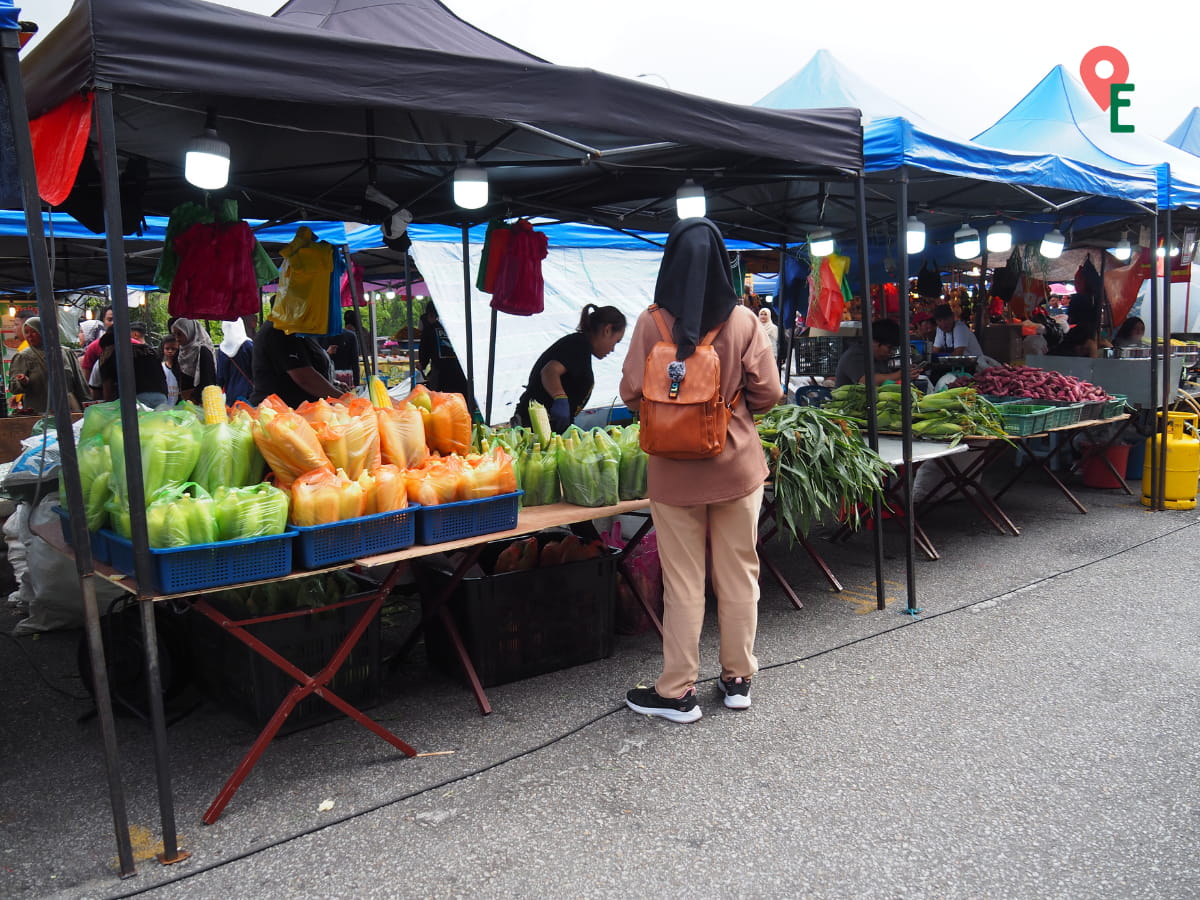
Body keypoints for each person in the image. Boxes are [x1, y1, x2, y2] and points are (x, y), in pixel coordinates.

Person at [619, 217, 783, 723]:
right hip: (736, 468)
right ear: (721, 263)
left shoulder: (652, 322)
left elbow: (629, 393)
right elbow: (770, 394)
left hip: (673, 475)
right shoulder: (743, 321)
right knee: (739, 573)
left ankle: (677, 692)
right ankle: (737, 680)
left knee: (684, 581)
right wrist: (733, 409)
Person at [516, 304, 626, 433]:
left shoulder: (581, 347)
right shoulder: (578, 345)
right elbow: (549, 371)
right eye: (616, 341)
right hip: (535, 427)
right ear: (607, 330)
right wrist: (560, 398)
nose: (613, 349)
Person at [249, 318, 342, 407]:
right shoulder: (280, 329)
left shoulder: (299, 330)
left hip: (301, 412)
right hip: (281, 414)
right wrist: (343, 399)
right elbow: (304, 377)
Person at [8, 317, 91, 413]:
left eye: (34, 331)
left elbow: (79, 382)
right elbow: (13, 387)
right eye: (26, 332)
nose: (29, 336)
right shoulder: (23, 357)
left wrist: (87, 404)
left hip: (68, 410)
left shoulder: (65, 353)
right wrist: (23, 382)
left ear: (43, 331)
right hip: (39, 412)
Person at [96, 328, 169, 407]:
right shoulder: (147, 349)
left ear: (106, 348)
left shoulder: (109, 357)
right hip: (161, 396)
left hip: (136, 399)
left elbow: (108, 392)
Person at [834, 319, 914, 387]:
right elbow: (865, 381)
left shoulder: (880, 357)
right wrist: (900, 375)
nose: (890, 352)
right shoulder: (854, 355)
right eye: (889, 348)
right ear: (875, 342)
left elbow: (886, 379)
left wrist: (908, 373)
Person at [417, 302, 470, 398]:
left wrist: (421, 364)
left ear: (430, 315)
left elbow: (423, 357)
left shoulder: (429, 330)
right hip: (462, 377)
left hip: (441, 379)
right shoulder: (458, 328)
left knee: (442, 406)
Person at [171, 318, 218, 403]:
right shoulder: (180, 352)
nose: (177, 338)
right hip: (185, 400)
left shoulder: (202, 351)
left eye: (180, 334)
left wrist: (196, 396)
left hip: (202, 400)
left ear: (189, 331)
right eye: (175, 335)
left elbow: (208, 380)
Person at [216, 318, 255, 404]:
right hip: (249, 392)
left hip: (231, 395)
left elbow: (220, 377)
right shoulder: (248, 345)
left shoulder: (222, 349)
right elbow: (256, 368)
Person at [325, 309, 361, 387]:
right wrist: (357, 384)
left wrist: (356, 383)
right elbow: (355, 362)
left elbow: (355, 362)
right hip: (340, 377)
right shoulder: (351, 335)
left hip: (329, 377)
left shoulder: (319, 336)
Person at [160, 335, 181, 405]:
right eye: (167, 348)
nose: (170, 351)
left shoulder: (182, 367)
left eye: (173, 349)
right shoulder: (161, 367)